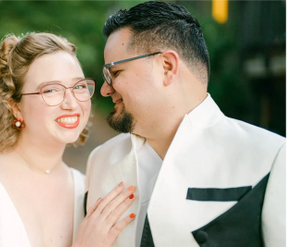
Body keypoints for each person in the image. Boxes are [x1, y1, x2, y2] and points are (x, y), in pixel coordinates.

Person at [85, 1, 289, 247]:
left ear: (167, 66)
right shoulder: (100, 161)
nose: (106, 89)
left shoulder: (273, 157)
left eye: (114, 73)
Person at [0, 32, 137, 247]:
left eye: (78, 86)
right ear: (14, 106)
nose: (72, 104)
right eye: (51, 90)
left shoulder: (85, 188)